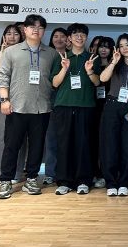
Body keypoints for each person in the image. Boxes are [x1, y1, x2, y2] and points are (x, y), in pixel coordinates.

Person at [0, 14, 54, 199]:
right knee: (11, 146)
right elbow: (3, 76)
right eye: (32, 27)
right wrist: (4, 100)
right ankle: (5, 180)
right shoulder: (11, 52)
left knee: (37, 147)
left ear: (44, 31)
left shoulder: (51, 53)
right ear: (25, 29)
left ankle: (31, 179)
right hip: (17, 107)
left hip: (42, 108)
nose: (36, 30)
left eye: (40, 27)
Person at [50, 23, 101, 195]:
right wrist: (64, 68)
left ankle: (84, 181)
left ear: (86, 37)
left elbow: (97, 82)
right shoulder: (61, 56)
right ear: (69, 38)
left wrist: (89, 71)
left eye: (83, 34)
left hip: (86, 105)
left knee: (84, 145)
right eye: (75, 34)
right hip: (64, 105)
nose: (79, 37)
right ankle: (64, 181)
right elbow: (55, 83)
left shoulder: (92, 57)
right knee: (64, 145)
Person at [98, 34, 128, 197]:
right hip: (112, 105)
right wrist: (114, 62)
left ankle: (124, 182)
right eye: (121, 45)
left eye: (127, 45)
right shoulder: (114, 62)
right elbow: (103, 78)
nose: (124, 48)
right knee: (110, 145)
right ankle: (111, 182)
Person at [0, 24, 25, 183]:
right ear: (4, 36)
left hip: (22, 99)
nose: (12, 37)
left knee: (20, 139)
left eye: (15, 34)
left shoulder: (26, 51)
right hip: (1, 100)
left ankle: (17, 173)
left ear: (21, 36)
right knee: (1, 138)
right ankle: (1, 173)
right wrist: (3, 51)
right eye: (8, 33)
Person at [42, 27, 68, 186]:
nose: (59, 39)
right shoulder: (47, 55)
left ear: (68, 39)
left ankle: (66, 171)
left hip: (68, 100)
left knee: (67, 139)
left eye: (62, 36)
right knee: (51, 138)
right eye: (55, 36)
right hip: (49, 100)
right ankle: (50, 173)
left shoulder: (72, 55)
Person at [91, 36, 115, 189]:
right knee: (94, 142)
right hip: (94, 106)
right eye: (101, 46)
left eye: (107, 46)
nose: (104, 49)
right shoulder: (92, 63)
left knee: (108, 142)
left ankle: (107, 174)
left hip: (110, 106)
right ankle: (96, 173)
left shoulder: (116, 64)